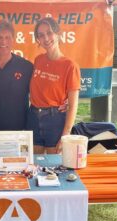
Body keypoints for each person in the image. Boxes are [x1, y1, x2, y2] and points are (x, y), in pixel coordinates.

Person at [27, 17, 80, 154]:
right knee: (34, 163)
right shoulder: (38, 60)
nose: (46, 38)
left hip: (54, 119)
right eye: (41, 35)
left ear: (57, 34)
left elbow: (73, 105)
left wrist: (65, 134)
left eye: (49, 33)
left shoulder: (70, 66)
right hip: (33, 116)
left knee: (53, 165)